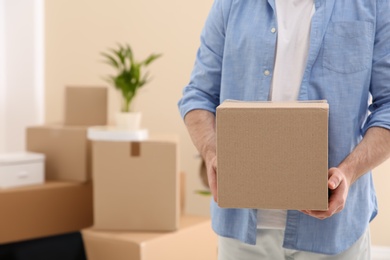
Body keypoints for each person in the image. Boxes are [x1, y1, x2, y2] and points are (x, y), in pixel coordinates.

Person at [178, 0, 390, 259]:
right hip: (242, 231)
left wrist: (349, 172)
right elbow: (197, 95)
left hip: (334, 230)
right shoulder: (231, 4)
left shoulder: (375, 5)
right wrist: (211, 152)